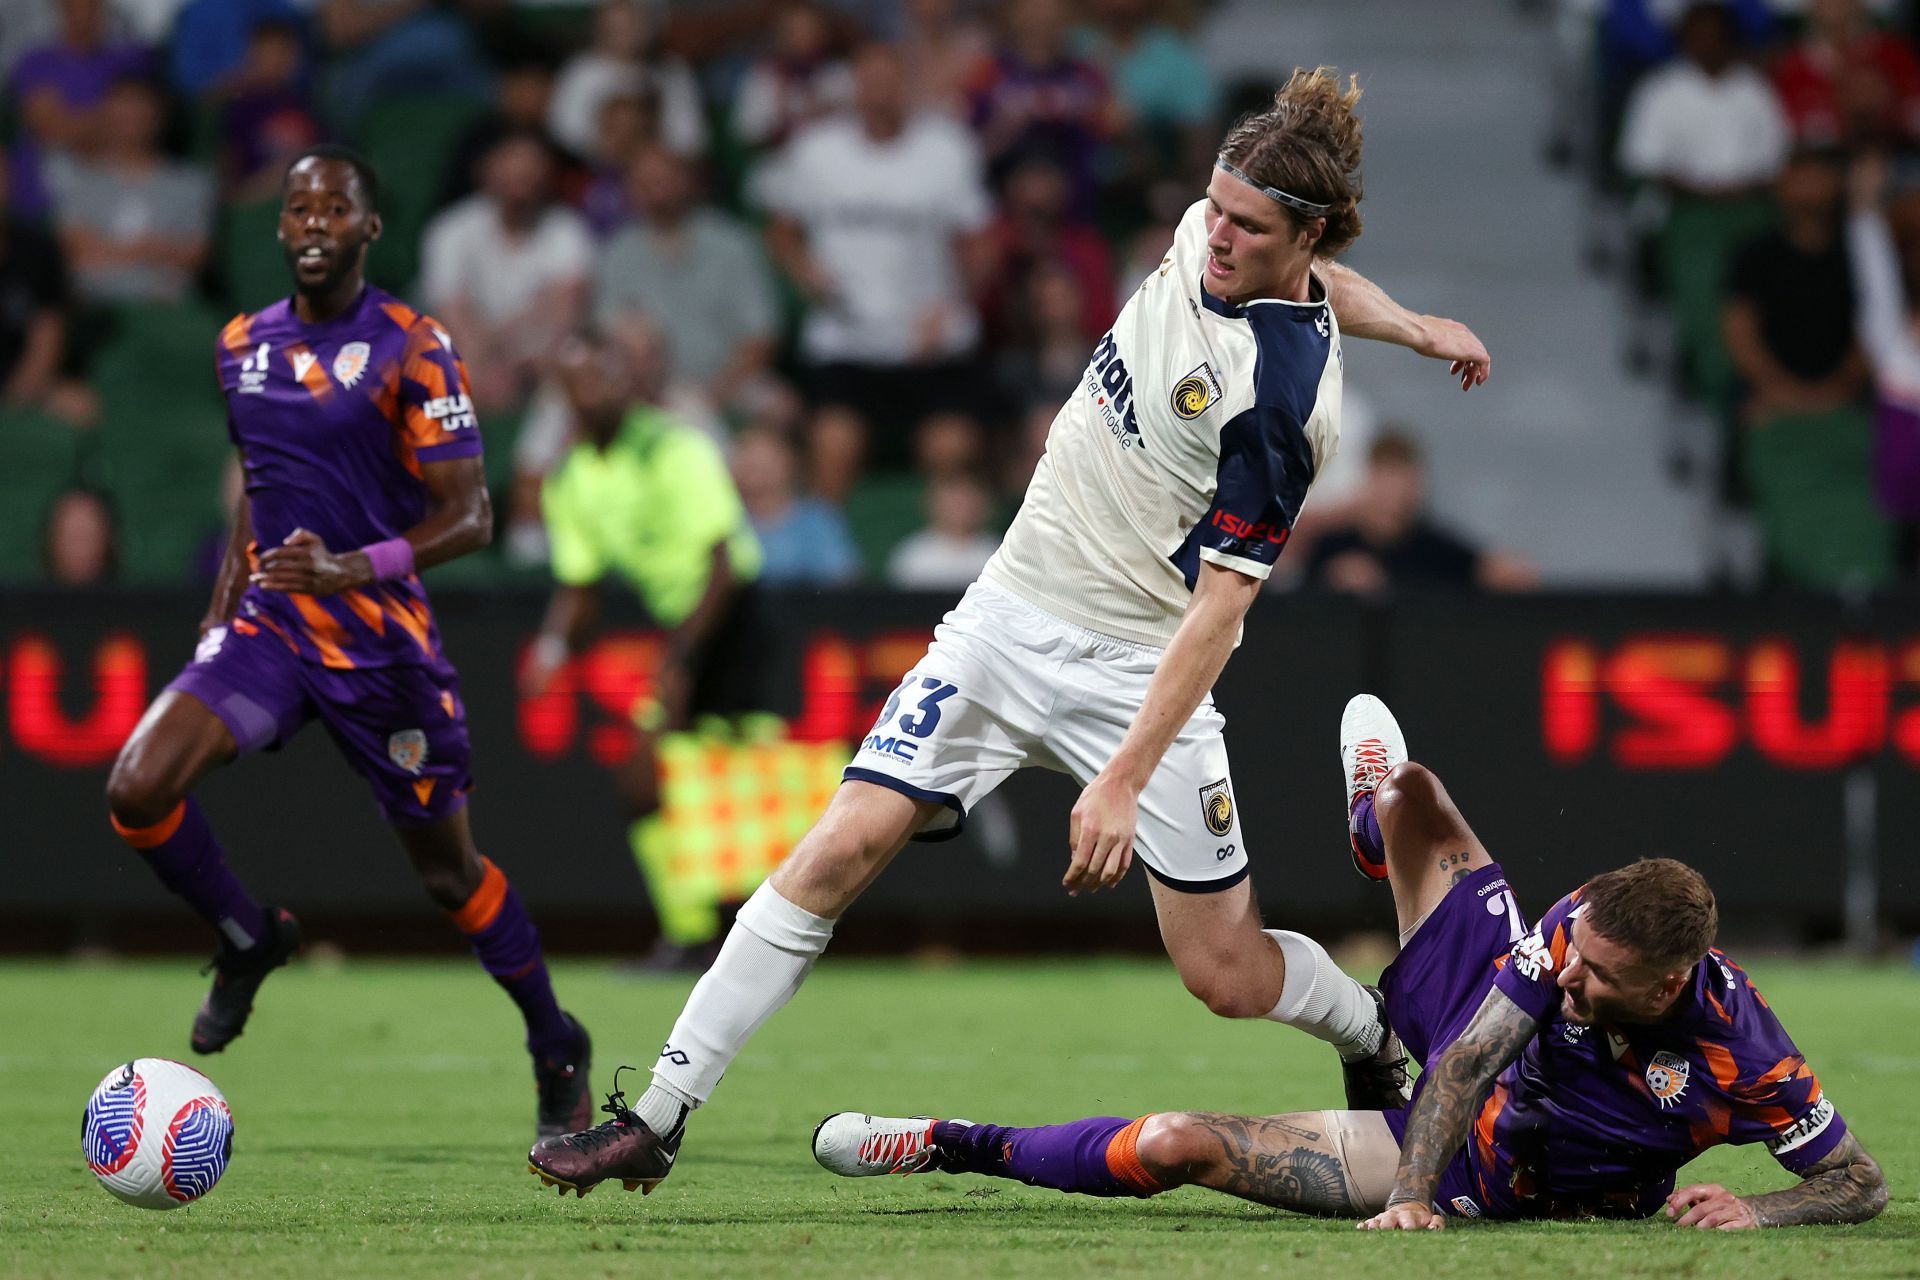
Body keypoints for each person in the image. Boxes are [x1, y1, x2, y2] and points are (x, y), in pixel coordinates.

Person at [527, 65, 1492, 1198]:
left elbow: (1221, 610)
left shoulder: (1277, 408)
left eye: (1249, 227)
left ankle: (1371, 1031)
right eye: (1216, 210)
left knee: (1224, 971)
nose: (1218, 237)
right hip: (1001, 620)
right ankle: (657, 1113)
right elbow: (1325, 279)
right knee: (837, 846)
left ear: (1303, 230)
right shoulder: (1213, 228)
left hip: (1139, 665)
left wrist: (1124, 777)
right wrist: (1421, 327)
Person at [810, 695, 1889, 1232]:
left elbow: (1858, 1182)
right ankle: (1373, 845)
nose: (1572, 975)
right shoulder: (1568, 934)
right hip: (1465, 1076)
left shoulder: (1742, 1049)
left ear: (1667, 984)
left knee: (1182, 1141)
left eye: (1600, 976)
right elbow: (1466, 1066)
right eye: (1578, 953)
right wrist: (1406, 1195)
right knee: (1411, 787)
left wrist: (1764, 1207)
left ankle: (946, 1142)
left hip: (1489, 1175)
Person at [101, 145, 594, 1140]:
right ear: (279, 229)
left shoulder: (416, 345)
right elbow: (259, 488)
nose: (315, 221)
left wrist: (350, 567)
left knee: (448, 874)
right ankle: (249, 938)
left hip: (382, 649)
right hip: (271, 629)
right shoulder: (240, 344)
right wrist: (217, 615)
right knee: (136, 785)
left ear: (370, 229)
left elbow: (472, 516)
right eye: (298, 207)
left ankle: (555, 1039)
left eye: (337, 207)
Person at [522, 325, 774, 966]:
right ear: (565, 390)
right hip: (688, 632)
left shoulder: (674, 448)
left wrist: (681, 661)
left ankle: (724, 938)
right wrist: (552, 649)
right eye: (584, 377)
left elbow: (724, 563)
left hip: (738, 622)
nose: (599, 388)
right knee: (651, 785)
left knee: (740, 792)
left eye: (609, 374)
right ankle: (694, 937)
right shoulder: (570, 479)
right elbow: (581, 587)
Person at [761, 41, 995, 480]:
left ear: (907, 86)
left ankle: (950, 548)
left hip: (930, 339)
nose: (880, 94)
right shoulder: (817, 151)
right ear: (855, 88)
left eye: (890, 83)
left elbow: (981, 242)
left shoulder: (946, 149)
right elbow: (781, 230)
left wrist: (953, 305)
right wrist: (806, 272)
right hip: (847, 338)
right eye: (870, 83)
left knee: (953, 448)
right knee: (833, 444)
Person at [594, 143, 781, 417]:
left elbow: (761, 337)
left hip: (728, 384)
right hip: (644, 388)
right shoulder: (616, 253)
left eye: (664, 180)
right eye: (644, 183)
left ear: (687, 181)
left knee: (781, 407)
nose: (655, 191)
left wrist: (715, 394)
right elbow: (608, 337)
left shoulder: (733, 243)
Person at [419, 129, 592, 415]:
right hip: (468, 355)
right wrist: (484, 365)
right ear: (486, 171)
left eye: (530, 171)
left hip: (538, 363)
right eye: (511, 168)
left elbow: (563, 316)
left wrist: (517, 365)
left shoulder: (567, 230)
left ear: (547, 176)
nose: (520, 180)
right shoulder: (450, 231)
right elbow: (453, 317)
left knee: (573, 372)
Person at [47, 74, 213, 306]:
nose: (132, 121)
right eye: (123, 113)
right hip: (96, 306)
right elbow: (75, 253)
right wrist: (153, 248)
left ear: (159, 116)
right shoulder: (80, 182)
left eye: (140, 111)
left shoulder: (191, 182)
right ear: (106, 117)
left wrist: (109, 251)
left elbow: (195, 257)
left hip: (167, 305)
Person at [1304, 433, 1537, 596]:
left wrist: (1503, 572)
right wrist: (1332, 581)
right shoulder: (1331, 548)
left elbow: (1487, 570)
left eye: (1402, 480)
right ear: (1369, 480)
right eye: (1386, 479)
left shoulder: (1437, 550)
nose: (1393, 495)